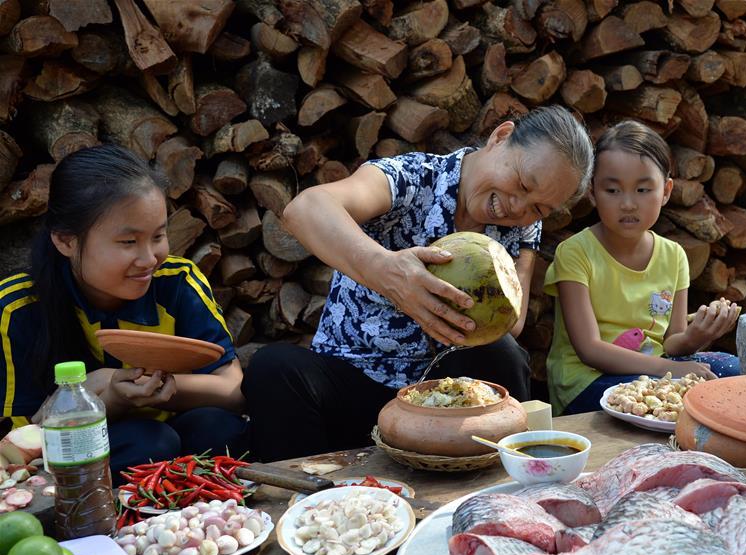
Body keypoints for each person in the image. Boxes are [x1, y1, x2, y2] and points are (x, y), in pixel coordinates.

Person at [243, 105, 594, 461]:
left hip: (444, 404)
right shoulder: (412, 178)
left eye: (539, 209)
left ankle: (502, 480)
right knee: (274, 368)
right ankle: (307, 489)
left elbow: (512, 323)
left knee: (500, 354)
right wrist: (386, 271)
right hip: (353, 384)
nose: (518, 208)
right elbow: (305, 208)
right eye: (522, 184)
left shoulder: (522, 226)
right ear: (501, 137)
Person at [0, 144, 247, 477]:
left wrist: (114, 380)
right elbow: (23, 440)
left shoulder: (178, 282)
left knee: (218, 427)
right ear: (66, 241)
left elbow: (232, 391)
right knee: (149, 442)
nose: (149, 259)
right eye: (128, 242)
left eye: (158, 236)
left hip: (176, 433)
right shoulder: (17, 308)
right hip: (78, 467)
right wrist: (111, 400)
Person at [544, 120, 741, 417]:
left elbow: (672, 341)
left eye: (643, 189)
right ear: (592, 192)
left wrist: (697, 335)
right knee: (676, 400)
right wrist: (670, 369)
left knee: (733, 370)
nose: (628, 204)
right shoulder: (575, 253)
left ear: (666, 191)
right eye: (612, 190)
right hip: (588, 381)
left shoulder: (674, 256)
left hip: (655, 372)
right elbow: (589, 349)